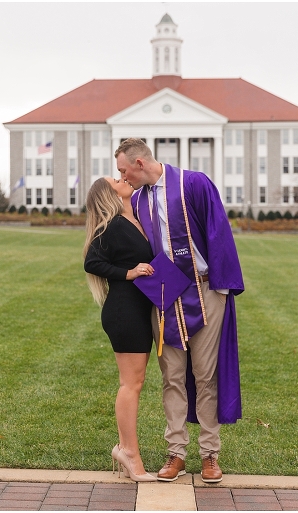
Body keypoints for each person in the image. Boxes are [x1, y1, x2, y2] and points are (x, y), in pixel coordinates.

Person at [115, 138, 244, 484]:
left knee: (205, 375)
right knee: (172, 376)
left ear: (140, 163)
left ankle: (210, 454)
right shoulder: (138, 200)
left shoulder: (193, 183)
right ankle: (176, 453)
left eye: (125, 171)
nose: (123, 179)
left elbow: (218, 230)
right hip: (166, 295)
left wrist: (221, 286)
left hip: (205, 289)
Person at [83, 176, 158, 482]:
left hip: (141, 309)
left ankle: (126, 450)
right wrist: (128, 273)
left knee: (136, 382)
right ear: (108, 194)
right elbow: (92, 262)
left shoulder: (137, 217)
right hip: (125, 311)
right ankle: (128, 452)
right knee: (131, 384)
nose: (122, 178)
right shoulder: (112, 224)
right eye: (115, 179)